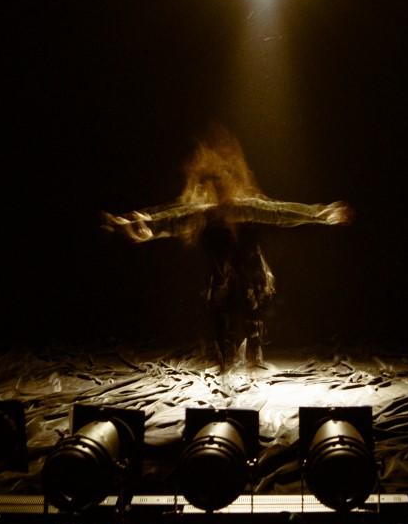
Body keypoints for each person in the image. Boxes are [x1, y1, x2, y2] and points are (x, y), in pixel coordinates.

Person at [101, 130, 352, 368]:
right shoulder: (204, 213)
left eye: (223, 189)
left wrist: (321, 214)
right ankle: (226, 351)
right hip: (223, 271)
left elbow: (282, 212)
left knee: (250, 294)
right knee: (220, 303)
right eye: (214, 189)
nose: (220, 195)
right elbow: (171, 218)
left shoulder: (245, 208)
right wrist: (138, 224)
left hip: (250, 270)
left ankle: (252, 345)